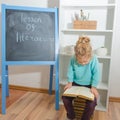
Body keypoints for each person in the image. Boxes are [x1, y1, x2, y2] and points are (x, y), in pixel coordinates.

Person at [62, 36, 100, 120]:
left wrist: (94, 87)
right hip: (75, 83)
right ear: (76, 56)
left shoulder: (94, 59)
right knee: (65, 98)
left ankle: (84, 118)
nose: (83, 63)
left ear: (90, 56)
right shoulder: (73, 58)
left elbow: (96, 73)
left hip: (89, 85)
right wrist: (69, 82)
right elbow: (70, 70)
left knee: (92, 103)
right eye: (80, 61)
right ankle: (71, 116)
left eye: (85, 61)